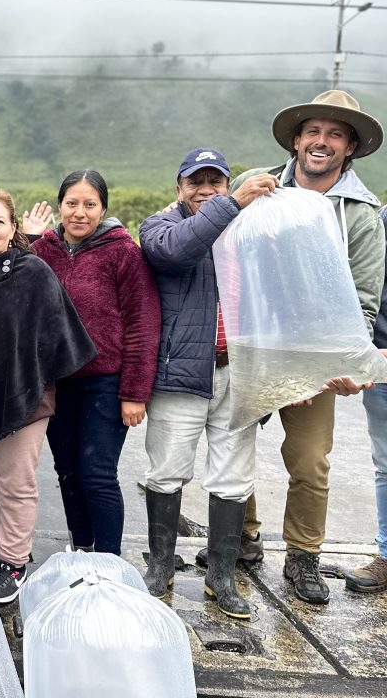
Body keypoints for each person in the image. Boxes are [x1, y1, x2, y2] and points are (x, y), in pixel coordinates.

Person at [232, 90, 385, 605]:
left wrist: (347, 366)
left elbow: (363, 301)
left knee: (310, 460)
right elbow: (223, 251)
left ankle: (303, 557)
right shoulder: (258, 188)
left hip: (315, 359)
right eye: (314, 131)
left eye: (336, 135)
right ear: (296, 140)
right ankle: (241, 537)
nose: (322, 141)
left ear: (350, 148)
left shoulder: (360, 215)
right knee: (233, 443)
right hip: (253, 344)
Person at [0, 188, 96, 604]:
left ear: (13, 230)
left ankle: (13, 560)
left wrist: (31, 376)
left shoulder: (32, 272)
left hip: (23, 397)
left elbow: (58, 334)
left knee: (15, 482)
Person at [138, 148, 275, 619]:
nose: (205, 190)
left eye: (216, 182)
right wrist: (231, 203)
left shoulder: (250, 233)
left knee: (234, 478)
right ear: (178, 188)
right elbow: (177, 251)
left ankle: (221, 576)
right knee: (166, 471)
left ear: (226, 184)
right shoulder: (159, 228)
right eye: (195, 182)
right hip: (179, 373)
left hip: (238, 374)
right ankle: (160, 566)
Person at [32, 170, 160, 556]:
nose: (80, 212)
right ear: (60, 206)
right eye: (72, 203)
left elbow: (142, 324)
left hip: (105, 381)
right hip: (58, 382)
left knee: (97, 474)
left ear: (103, 209)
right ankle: (82, 551)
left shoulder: (123, 252)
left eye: (90, 204)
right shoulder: (43, 252)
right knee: (68, 472)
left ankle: (108, 562)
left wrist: (135, 393)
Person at [345, 205, 387, 594]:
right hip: (384, 362)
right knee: (386, 464)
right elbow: (364, 292)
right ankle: (386, 557)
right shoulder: (378, 222)